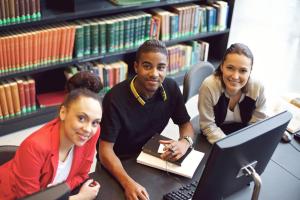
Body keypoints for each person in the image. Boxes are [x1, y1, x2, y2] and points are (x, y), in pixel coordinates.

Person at [98, 39, 194, 200]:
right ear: (136, 67)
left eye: (161, 67)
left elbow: (185, 124)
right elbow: (104, 152)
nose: (154, 74)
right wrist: (127, 183)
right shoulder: (114, 98)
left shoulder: (170, 88)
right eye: (147, 66)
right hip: (119, 163)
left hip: (150, 156)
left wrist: (184, 142)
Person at [0, 71, 102, 200]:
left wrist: (59, 193)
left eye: (95, 122)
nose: (88, 129)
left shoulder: (93, 132)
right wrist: (78, 198)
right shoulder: (34, 147)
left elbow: (81, 175)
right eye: (81, 118)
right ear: (63, 112)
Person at [198, 43, 268, 144]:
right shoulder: (209, 86)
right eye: (230, 68)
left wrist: (245, 143)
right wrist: (229, 146)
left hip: (242, 133)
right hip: (214, 136)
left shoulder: (258, 87)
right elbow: (208, 125)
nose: (235, 76)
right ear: (222, 66)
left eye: (243, 70)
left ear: (250, 71)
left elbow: (258, 121)